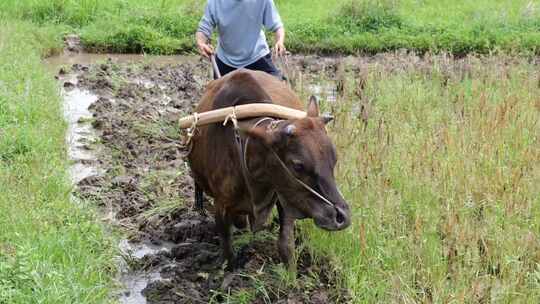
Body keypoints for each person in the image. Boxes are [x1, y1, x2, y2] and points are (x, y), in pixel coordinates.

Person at [195, 0, 286, 79]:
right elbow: (204, 28)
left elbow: (277, 25)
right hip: (226, 60)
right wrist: (201, 43)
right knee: (216, 95)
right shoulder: (215, 2)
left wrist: (279, 41)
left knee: (277, 89)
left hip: (257, 57)